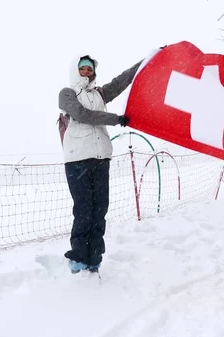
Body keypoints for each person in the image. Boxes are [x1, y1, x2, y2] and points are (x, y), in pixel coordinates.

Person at [58, 54, 142, 274]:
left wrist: (144, 61)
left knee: (99, 210)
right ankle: (78, 259)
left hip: (101, 157)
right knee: (83, 209)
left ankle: (94, 258)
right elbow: (82, 115)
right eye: (82, 68)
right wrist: (115, 119)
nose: (86, 71)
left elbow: (120, 82)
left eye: (89, 68)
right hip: (77, 158)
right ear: (75, 70)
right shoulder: (67, 94)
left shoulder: (100, 94)